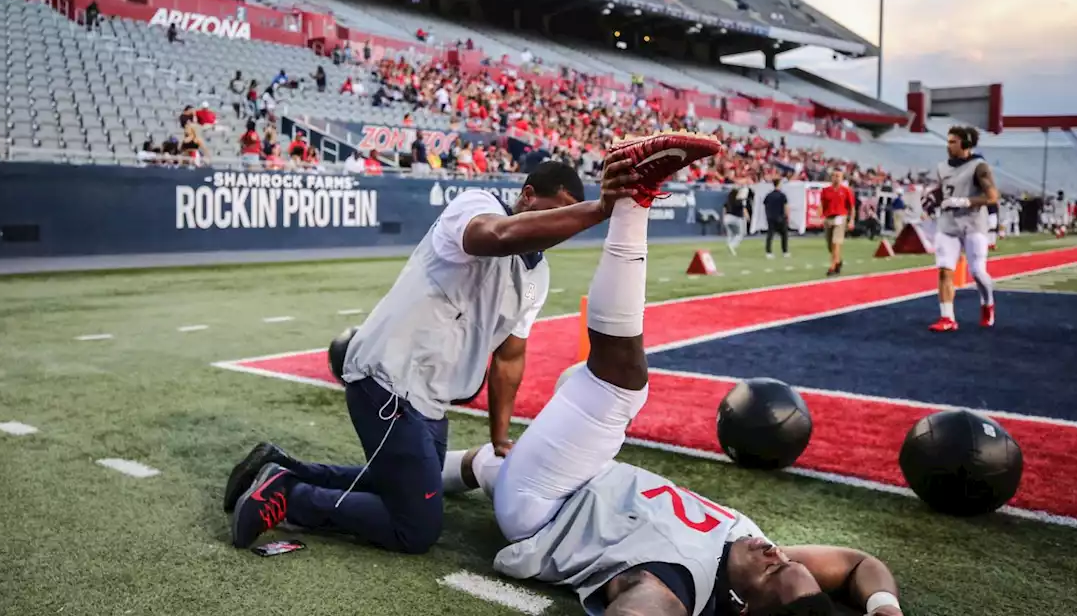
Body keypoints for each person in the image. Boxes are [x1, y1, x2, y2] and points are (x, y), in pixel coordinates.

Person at [224, 132, 722, 555]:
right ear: (527, 196)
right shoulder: (476, 205)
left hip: (429, 400)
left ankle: (283, 467)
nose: (558, 230)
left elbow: (509, 357)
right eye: (554, 213)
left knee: (401, 484)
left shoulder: (537, 276)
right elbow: (497, 236)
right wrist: (598, 209)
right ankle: (290, 495)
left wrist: (501, 435)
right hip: (387, 381)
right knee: (416, 529)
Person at [440, 181, 904, 616]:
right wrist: (886, 608)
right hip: (587, 479)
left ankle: (632, 207)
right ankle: (387, 477)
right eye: (785, 558)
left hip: (545, 503)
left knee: (618, 385)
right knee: (515, 437)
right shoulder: (757, 555)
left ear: (742, 607)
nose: (775, 552)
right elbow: (860, 564)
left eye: (775, 567)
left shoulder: (673, 586)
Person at [929, 126, 999, 332]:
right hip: (948, 224)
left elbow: (993, 197)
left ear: (966, 144)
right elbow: (943, 192)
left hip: (973, 224)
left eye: (953, 142)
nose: (948, 145)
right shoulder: (942, 167)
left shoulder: (979, 166)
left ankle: (987, 303)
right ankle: (947, 317)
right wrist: (932, 198)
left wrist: (963, 201)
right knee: (944, 271)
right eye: (948, 141)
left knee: (977, 271)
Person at [818, 169, 853, 276]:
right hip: (829, 218)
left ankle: (832, 267)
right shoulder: (826, 190)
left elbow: (851, 207)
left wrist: (851, 220)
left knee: (836, 242)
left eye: (838, 176)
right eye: (834, 175)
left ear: (842, 178)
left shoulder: (846, 190)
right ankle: (838, 260)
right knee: (830, 245)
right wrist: (821, 216)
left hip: (840, 217)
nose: (836, 178)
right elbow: (821, 204)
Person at [763, 179, 789, 259]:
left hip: (771, 217)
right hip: (780, 217)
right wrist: (786, 216)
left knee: (770, 235)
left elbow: (765, 204)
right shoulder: (782, 195)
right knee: (784, 235)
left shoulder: (769, 195)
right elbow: (786, 207)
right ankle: (785, 252)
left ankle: (768, 252)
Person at [722, 185, 747, 256]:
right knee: (739, 234)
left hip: (726, 218)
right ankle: (731, 246)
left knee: (730, 235)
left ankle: (730, 249)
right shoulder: (739, 201)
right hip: (735, 218)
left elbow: (724, 210)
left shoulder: (728, 201)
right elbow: (742, 210)